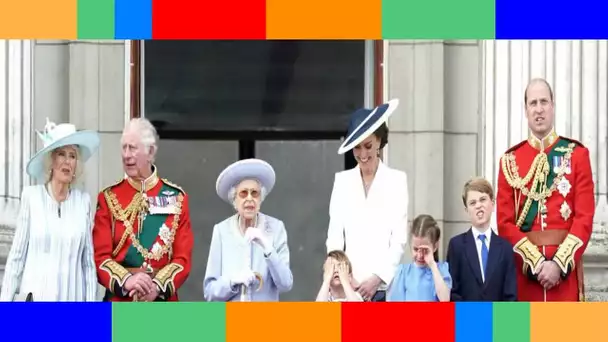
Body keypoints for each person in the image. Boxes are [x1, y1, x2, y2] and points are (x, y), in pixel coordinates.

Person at [497, 78, 595, 302]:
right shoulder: (510, 161)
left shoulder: (577, 155)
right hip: (526, 279)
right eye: (533, 103)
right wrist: (537, 263)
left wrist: (558, 265)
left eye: (544, 102)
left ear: (553, 106)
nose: (539, 109)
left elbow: (584, 218)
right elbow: (505, 223)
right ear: (525, 110)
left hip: (564, 278)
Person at [92, 118, 194, 302]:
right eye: (124, 148)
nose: (126, 155)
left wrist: (156, 287)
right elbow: (99, 257)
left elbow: (182, 259)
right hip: (120, 301)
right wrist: (128, 281)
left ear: (151, 152)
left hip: (162, 304)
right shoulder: (108, 198)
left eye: (133, 148)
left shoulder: (177, 198)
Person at [0, 118, 100, 301]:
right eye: (62, 154)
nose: (67, 161)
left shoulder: (83, 202)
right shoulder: (31, 198)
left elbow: (88, 265)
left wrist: (91, 311)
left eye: (72, 156)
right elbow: (16, 259)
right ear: (51, 160)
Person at [325, 99, 408, 302]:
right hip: (348, 288)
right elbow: (335, 237)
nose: (363, 154)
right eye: (357, 148)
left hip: (384, 289)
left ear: (379, 141)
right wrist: (345, 277)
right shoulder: (342, 182)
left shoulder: (397, 180)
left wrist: (377, 278)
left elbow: (398, 240)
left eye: (368, 146)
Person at [203, 158, 293, 302]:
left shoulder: (276, 228)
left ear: (261, 198)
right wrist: (232, 281)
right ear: (235, 200)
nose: (249, 198)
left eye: (255, 193)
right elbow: (209, 292)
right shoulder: (221, 231)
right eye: (243, 193)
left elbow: (286, 284)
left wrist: (267, 246)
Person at [447, 177, 517, 301]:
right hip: (467, 318)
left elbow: (511, 296)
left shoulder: (506, 248)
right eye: (472, 203)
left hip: (498, 319)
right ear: (466, 210)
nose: (478, 206)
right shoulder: (456, 246)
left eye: (483, 200)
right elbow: (453, 291)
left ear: (492, 204)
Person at [386, 214, 451, 302]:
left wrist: (432, 265)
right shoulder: (403, 272)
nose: (420, 255)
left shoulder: (441, 270)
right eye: (416, 249)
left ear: (435, 246)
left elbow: (445, 299)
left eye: (425, 250)